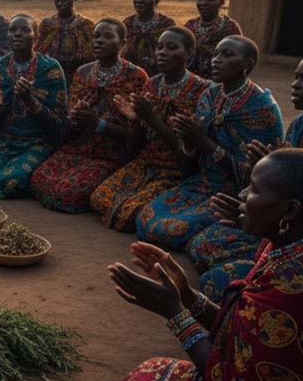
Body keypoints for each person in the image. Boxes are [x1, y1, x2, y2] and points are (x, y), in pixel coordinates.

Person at [53, 150, 303, 381]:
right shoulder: (283, 251)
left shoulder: (292, 289)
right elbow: (240, 331)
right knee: (151, 369)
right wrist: (187, 295)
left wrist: (175, 313)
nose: (241, 195)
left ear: (289, 211)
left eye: (253, 190)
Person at [135, 36, 284, 297]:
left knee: (184, 234)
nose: (216, 60)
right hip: (203, 183)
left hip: (235, 191)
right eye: (216, 54)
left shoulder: (261, 109)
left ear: (247, 65)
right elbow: (191, 155)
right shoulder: (211, 94)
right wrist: (189, 140)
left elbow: (258, 173)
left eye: (227, 55)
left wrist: (203, 141)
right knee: (147, 219)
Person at [91, 27, 210, 232]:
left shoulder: (200, 91)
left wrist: (150, 118)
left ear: (189, 54)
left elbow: (187, 152)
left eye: (171, 48)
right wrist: (136, 120)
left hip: (174, 170)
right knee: (99, 198)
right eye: (159, 47)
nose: (162, 53)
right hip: (146, 163)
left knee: (133, 211)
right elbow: (137, 144)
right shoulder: (152, 85)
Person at [31, 19, 149, 212]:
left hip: (113, 153)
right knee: (39, 178)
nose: (99, 41)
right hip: (80, 147)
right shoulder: (83, 72)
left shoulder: (136, 77)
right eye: (96, 36)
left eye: (108, 36)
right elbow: (70, 121)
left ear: (123, 43)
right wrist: (76, 117)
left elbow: (138, 132)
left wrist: (98, 124)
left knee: (69, 190)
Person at [0, 15, 67, 198]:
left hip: (36, 142)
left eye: (24, 30)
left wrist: (31, 101)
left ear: (36, 36)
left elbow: (58, 122)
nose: (17, 34)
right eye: (13, 30)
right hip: (2, 139)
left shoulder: (50, 69)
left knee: (11, 180)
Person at [36, 0, 94, 85]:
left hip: (80, 80)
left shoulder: (86, 25)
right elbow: (38, 55)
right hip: (51, 80)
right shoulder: (47, 25)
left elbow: (94, 58)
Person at [184, 0, 242, 79]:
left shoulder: (230, 27)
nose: (203, 3)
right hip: (190, 80)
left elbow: (237, 57)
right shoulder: (189, 26)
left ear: (221, 2)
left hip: (220, 81)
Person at [122, 0, 175, 74]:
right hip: (130, 75)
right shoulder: (127, 25)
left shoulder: (166, 25)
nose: (140, 0)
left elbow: (172, 55)